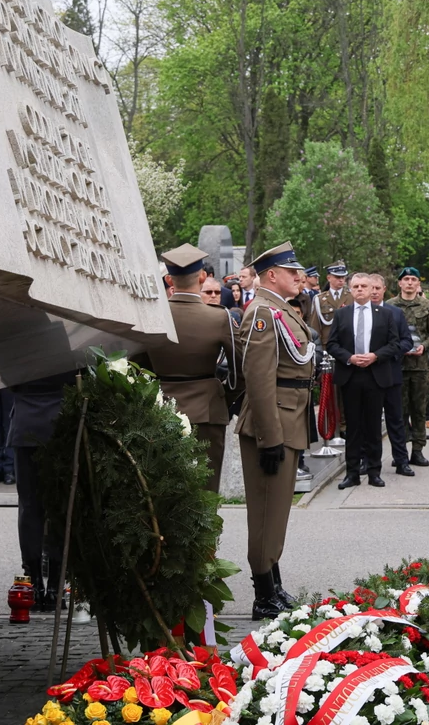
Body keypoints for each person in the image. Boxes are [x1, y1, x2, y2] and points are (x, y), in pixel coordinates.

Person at [236, 241, 315, 618]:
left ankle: (274, 585)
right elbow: (259, 378)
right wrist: (269, 437)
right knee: (267, 511)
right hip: (274, 425)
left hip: (289, 419)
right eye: (291, 272)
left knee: (277, 510)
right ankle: (263, 595)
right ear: (271, 275)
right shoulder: (263, 313)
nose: (299, 277)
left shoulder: (280, 309)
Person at [146, 244, 242, 494]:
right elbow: (240, 370)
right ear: (202, 277)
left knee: (164, 491)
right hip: (207, 411)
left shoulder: (153, 316)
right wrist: (225, 399)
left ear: (169, 279)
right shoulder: (219, 317)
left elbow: (140, 366)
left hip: (160, 410)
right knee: (204, 493)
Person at [10, 370, 79, 611]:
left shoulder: (18, 344)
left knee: (30, 507)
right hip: (60, 418)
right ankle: (56, 584)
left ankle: (33, 583)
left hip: (26, 418)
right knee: (60, 505)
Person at [329, 273, 402, 490]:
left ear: (372, 290)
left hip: (375, 374)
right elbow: (332, 344)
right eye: (356, 286)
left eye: (364, 286)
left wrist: (375, 356)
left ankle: (374, 472)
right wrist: (349, 357)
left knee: (372, 426)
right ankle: (352, 473)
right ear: (350, 290)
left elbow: (395, 343)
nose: (360, 290)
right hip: (350, 374)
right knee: (353, 427)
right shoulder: (341, 314)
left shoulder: (385, 314)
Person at [387, 268, 429, 469]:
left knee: (419, 410)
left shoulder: (427, 306)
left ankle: (417, 451)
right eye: (406, 279)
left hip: (419, 366)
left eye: (413, 279)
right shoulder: (389, 307)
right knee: (398, 411)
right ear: (399, 283)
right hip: (397, 366)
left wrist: (425, 346)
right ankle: (400, 452)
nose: (410, 283)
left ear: (418, 283)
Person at [368, 274, 415, 476]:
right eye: (371, 288)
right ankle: (367, 461)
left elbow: (407, 341)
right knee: (368, 420)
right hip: (367, 375)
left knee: (396, 419)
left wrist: (389, 353)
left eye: (378, 288)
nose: (374, 292)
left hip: (391, 372)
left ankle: (401, 460)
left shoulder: (395, 313)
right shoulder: (356, 313)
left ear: (384, 289)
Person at [309, 260, 351, 348]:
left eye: (343, 277)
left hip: (348, 344)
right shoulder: (319, 299)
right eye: (337, 277)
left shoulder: (352, 297)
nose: (341, 280)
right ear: (329, 278)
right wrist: (318, 347)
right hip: (327, 345)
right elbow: (315, 325)